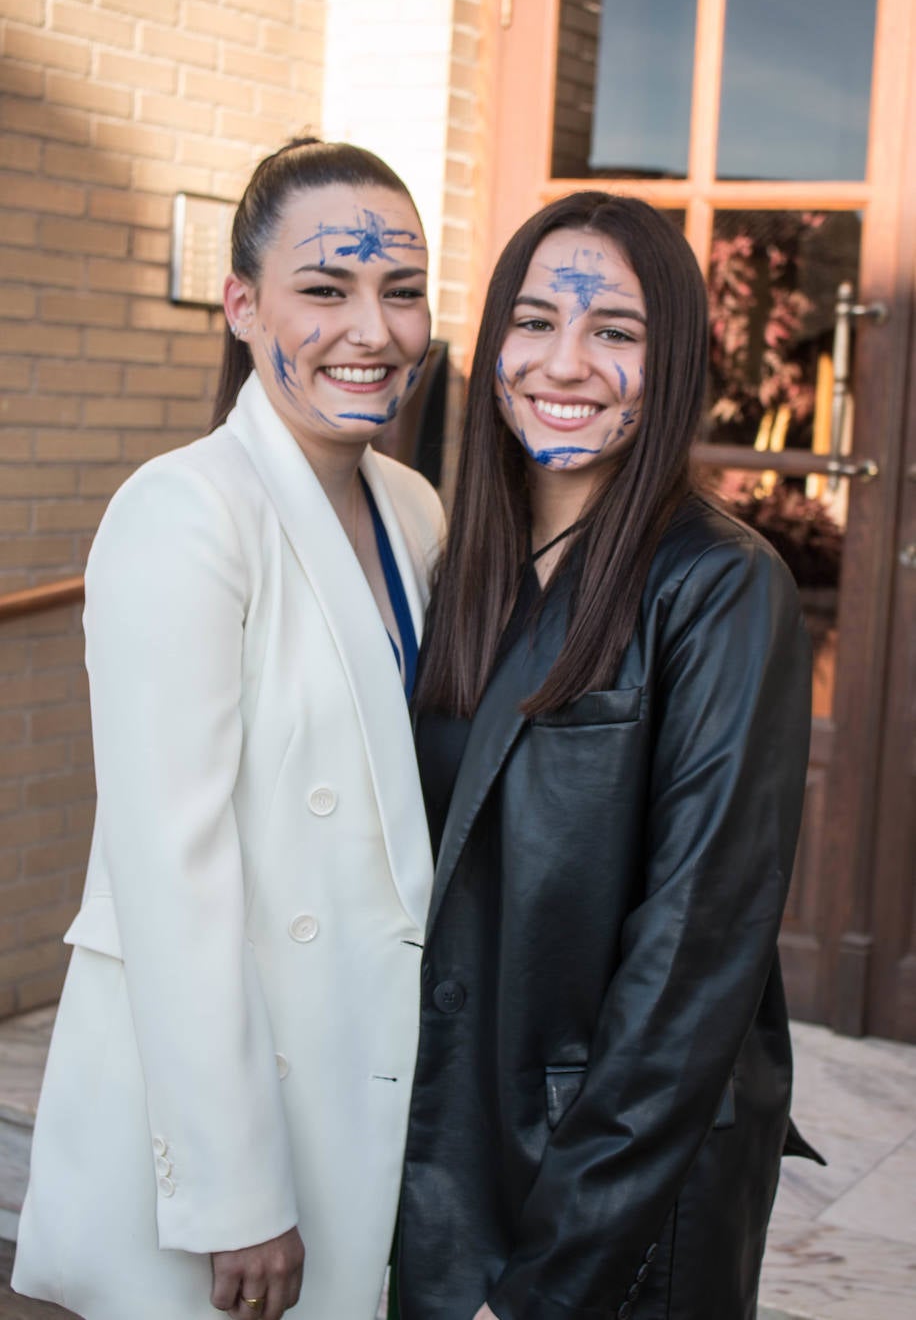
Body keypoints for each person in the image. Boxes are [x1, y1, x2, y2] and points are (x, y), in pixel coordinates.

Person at [13, 138, 444, 1320]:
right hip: (223, 1099)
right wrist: (233, 1185)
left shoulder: (414, 509)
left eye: (401, 291)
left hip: (363, 1063)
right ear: (242, 305)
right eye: (326, 289)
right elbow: (172, 871)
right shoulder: (183, 511)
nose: (374, 328)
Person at [398, 191, 820, 1320]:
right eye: (533, 323)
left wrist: (550, 1280)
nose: (564, 362)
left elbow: (693, 960)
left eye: (615, 332)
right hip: (451, 1132)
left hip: (609, 1181)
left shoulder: (721, 587)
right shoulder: (463, 570)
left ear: (671, 362)